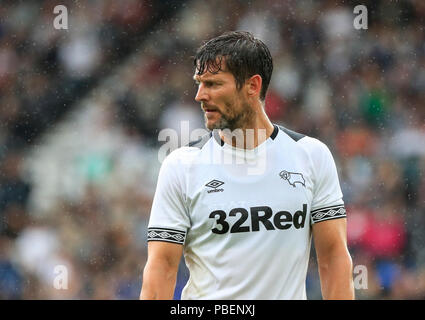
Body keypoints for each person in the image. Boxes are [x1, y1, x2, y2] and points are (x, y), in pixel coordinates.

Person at [140, 31, 354, 300]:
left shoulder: (312, 156)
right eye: (199, 83)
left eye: (213, 84)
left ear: (253, 86)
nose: (199, 95)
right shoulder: (181, 167)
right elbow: (162, 267)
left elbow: (333, 257)